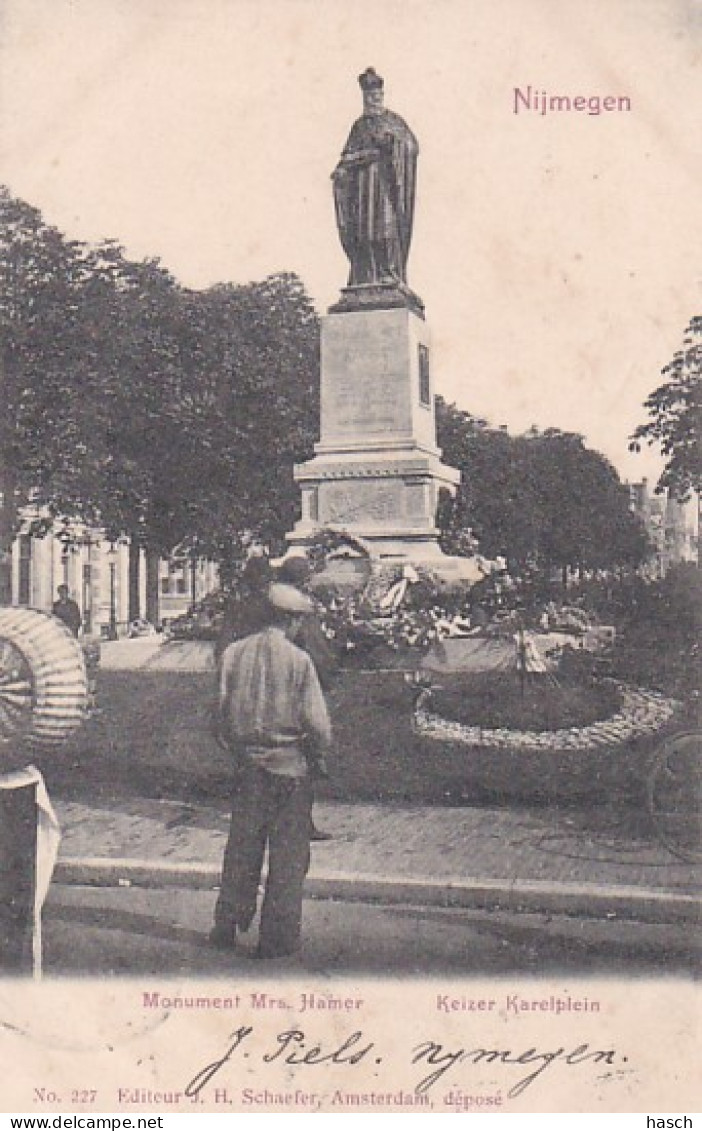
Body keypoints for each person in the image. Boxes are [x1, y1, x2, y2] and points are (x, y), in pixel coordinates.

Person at [212, 583, 332, 960]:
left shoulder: (233, 654)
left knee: (241, 849)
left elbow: (219, 712)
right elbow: (318, 725)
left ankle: (227, 924)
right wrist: (318, 753)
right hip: (289, 768)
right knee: (288, 856)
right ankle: (275, 939)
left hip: (247, 766)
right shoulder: (299, 661)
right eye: (299, 621)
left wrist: (236, 745)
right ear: (291, 619)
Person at [332, 67, 419, 289]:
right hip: (362, 187)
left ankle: (389, 272)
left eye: (377, 95)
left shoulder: (394, 122)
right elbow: (347, 155)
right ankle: (365, 275)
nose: (373, 99)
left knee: (386, 229)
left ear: (382, 95)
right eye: (369, 96)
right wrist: (345, 167)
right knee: (364, 232)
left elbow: (411, 146)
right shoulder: (359, 126)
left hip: (385, 185)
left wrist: (393, 144)